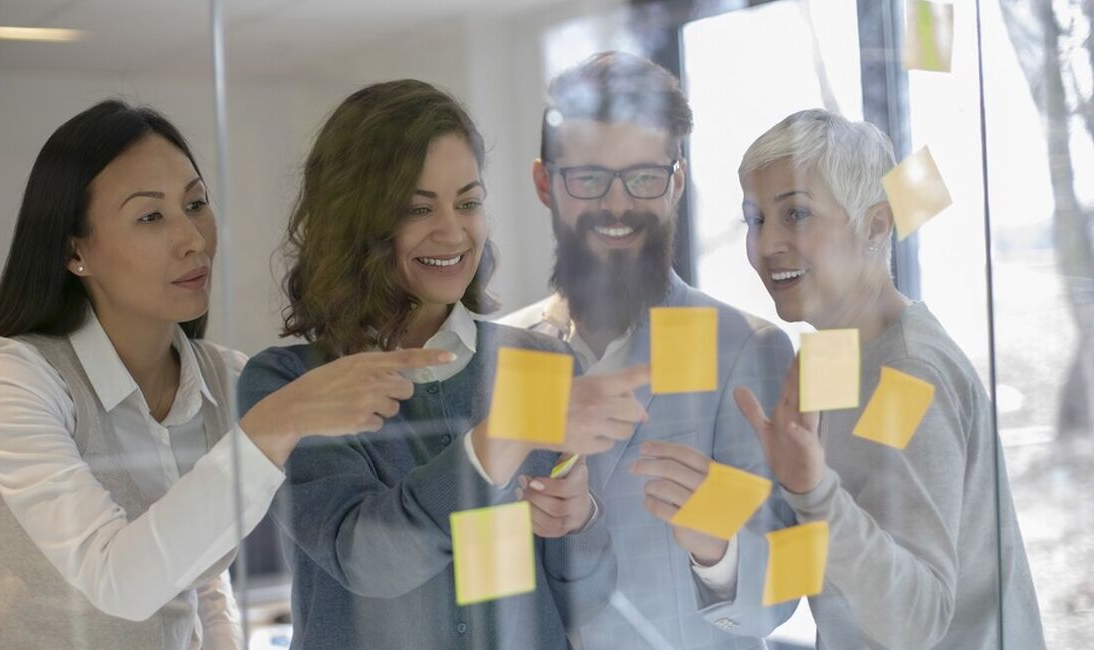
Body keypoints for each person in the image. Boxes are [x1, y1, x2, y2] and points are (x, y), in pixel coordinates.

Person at [0, 100, 449, 650]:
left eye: (196, 203)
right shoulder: (12, 377)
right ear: (76, 250)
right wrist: (277, 422)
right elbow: (119, 579)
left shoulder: (225, 379)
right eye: (151, 216)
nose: (193, 238)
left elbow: (199, 581)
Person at [238, 79, 646, 649]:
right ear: (354, 220)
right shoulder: (287, 385)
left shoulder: (541, 362)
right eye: (417, 208)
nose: (453, 231)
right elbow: (369, 559)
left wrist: (578, 522)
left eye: (469, 202)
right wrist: (503, 437)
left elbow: (587, 599)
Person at [500, 51, 797, 647]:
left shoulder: (745, 350)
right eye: (588, 178)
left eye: (644, 177)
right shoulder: (505, 357)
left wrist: (717, 545)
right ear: (544, 184)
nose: (617, 205)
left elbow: (788, 589)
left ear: (677, 183)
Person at [732, 108, 1046, 648]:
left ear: (875, 226)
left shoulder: (905, 373)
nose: (766, 246)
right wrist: (715, 545)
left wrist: (812, 491)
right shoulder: (831, 356)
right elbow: (830, 570)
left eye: (797, 215)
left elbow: (916, 619)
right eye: (755, 220)